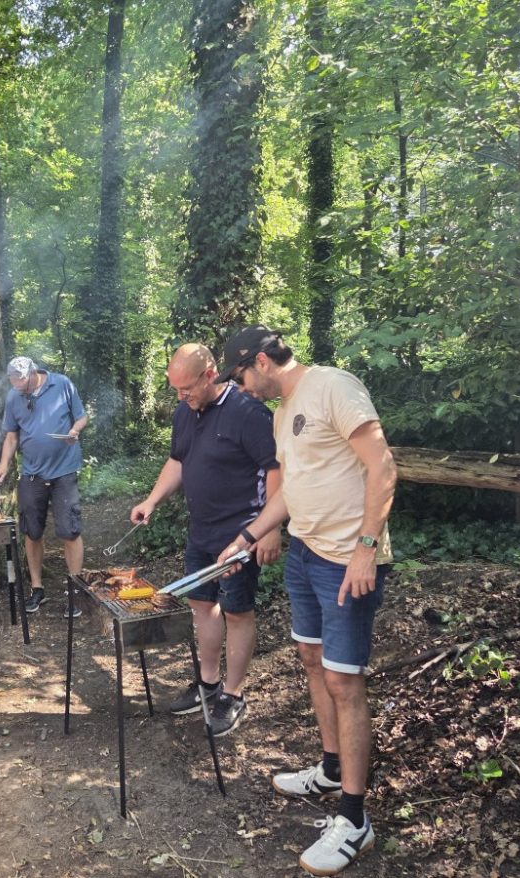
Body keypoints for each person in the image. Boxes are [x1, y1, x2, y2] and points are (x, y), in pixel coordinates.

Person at [215, 326, 397, 876]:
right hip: (306, 553)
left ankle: (354, 818)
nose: (242, 388)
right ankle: (330, 767)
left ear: (264, 362)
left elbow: (382, 467)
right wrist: (246, 538)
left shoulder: (334, 387)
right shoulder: (280, 411)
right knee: (312, 661)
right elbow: (293, 489)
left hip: (348, 561)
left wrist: (366, 548)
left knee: (345, 680)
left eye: (242, 376)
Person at [129, 343, 281, 737]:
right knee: (201, 605)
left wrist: (268, 529)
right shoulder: (186, 411)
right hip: (201, 530)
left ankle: (233, 693)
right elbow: (178, 459)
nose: (181, 397)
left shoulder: (249, 413)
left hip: (239, 534)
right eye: (175, 390)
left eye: (187, 389)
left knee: (237, 611)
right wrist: (152, 499)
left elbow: (275, 469)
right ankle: (208, 683)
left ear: (210, 375)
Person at [0, 356, 88, 617]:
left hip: (64, 471)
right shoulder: (14, 397)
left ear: (33, 373)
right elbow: (12, 436)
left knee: (69, 531)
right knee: (31, 531)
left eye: (20, 380)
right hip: (32, 473)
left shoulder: (62, 384)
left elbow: (81, 417)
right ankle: (37, 588)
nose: (17, 385)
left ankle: (75, 590)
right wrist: (4, 464)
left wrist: (75, 431)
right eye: (13, 381)